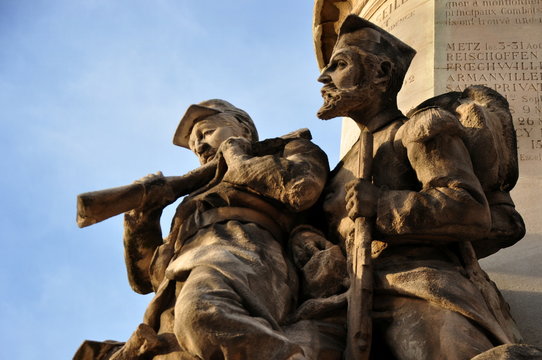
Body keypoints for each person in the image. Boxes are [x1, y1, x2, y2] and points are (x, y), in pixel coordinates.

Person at [314, 15, 526, 360]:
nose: (324, 78)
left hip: (417, 288)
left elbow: (469, 209)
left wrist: (382, 204)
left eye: (339, 65)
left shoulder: (421, 129)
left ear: (381, 73)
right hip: (339, 302)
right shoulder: (335, 172)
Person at [79, 99, 330, 360]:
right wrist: (143, 216)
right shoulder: (195, 197)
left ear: (243, 128)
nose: (199, 145)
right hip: (177, 284)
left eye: (206, 132)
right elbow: (145, 279)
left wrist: (237, 157)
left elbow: (303, 188)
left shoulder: (287, 149)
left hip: (245, 255)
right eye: (194, 143)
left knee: (202, 314)